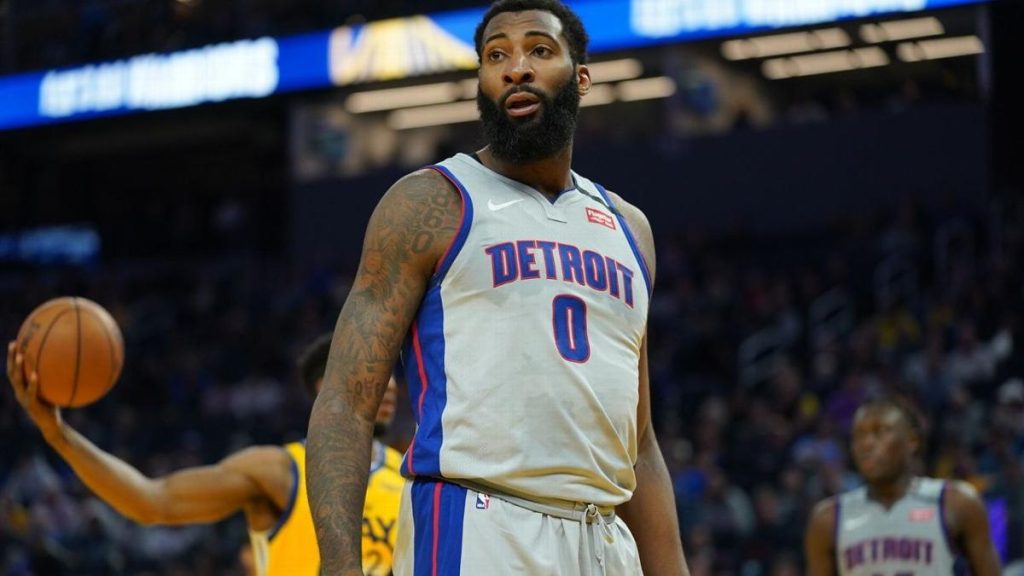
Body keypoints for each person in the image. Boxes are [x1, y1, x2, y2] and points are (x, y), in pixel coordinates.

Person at [306, 1, 689, 574]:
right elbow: (345, 401)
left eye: (539, 49)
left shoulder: (631, 229)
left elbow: (639, 443)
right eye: (496, 55)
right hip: (479, 523)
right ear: (481, 84)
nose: (516, 68)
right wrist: (339, 565)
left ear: (581, 77)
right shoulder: (431, 202)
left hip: (605, 539)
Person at [6, 334, 404, 576]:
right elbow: (151, 500)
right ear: (324, 386)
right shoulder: (280, 470)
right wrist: (57, 435)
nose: (387, 385)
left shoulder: (410, 477)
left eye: (391, 374)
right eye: (372, 374)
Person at [805, 396, 1001, 575]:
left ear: (912, 441)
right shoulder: (828, 519)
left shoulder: (956, 502)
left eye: (880, 432)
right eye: (859, 435)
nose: (867, 444)